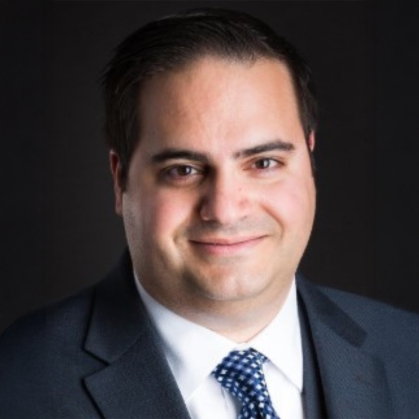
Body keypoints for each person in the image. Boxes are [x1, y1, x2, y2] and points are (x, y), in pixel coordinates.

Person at [0, 8, 417, 419]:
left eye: (264, 163)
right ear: (119, 179)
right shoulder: (16, 385)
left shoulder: (409, 355)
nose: (225, 210)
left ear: (310, 160)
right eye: (183, 170)